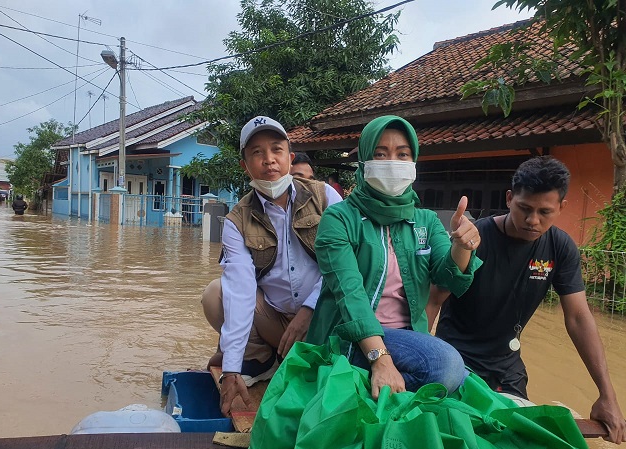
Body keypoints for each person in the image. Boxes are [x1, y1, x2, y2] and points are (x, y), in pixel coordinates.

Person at [431, 156, 626, 444]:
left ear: (562, 208)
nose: (533, 220)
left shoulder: (560, 248)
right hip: (456, 363)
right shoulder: (475, 238)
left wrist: (607, 394)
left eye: (544, 211)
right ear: (509, 199)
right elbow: (435, 298)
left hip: (507, 368)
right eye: (524, 208)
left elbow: (578, 317)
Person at [306, 115, 482, 400]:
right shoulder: (339, 218)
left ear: (413, 162)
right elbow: (349, 293)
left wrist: (463, 245)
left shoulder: (426, 220)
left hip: (406, 338)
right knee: (446, 365)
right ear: (363, 161)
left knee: (452, 369)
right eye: (380, 154)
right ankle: (368, 377)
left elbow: (447, 277)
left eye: (402, 154)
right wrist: (381, 361)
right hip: (350, 336)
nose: (392, 162)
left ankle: (372, 387)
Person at [201, 116, 343, 416]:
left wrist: (309, 309)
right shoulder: (236, 220)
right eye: (257, 152)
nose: (269, 160)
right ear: (245, 165)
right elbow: (240, 291)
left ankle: (308, 355)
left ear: (289, 158)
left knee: (328, 372)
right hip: (275, 321)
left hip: (324, 317)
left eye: (276, 150)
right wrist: (231, 368)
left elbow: (344, 262)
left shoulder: (324, 196)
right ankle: (261, 358)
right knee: (217, 293)